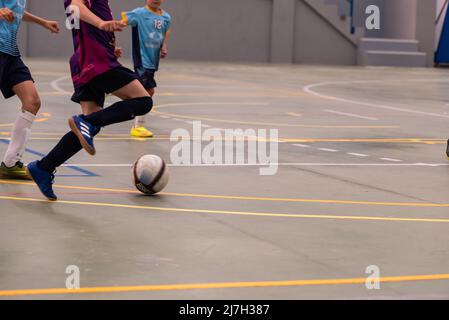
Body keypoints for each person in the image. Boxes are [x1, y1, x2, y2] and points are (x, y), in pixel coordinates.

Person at [27, 0, 153, 201]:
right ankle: (87, 122)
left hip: (85, 60)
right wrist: (102, 24)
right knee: (143, 101)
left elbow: (85, 26)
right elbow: (75, 7)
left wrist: (109, 44)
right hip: (95, 62)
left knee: (85, 130)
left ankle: (44, 167)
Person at [0, 0, 59, 179]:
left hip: (10, 54)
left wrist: (43, 22)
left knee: (32, 102)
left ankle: (9, 164)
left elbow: (17, 12)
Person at [122, 0, 171, 138]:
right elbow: (121, 22)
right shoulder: (139, 13)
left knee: (139, 91)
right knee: (147, 92)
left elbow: (165, 32)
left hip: (153, 61)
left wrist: (163, 46)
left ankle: (111, 91)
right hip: (141, 60)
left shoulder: (166, 17)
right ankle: (138, 126)